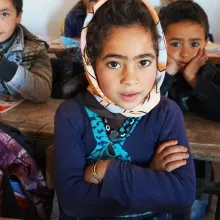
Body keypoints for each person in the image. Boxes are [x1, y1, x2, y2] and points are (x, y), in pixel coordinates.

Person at [54, 0, 195, 219]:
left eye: (144, 62)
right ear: (91, 62)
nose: (130, 80)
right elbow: (73, 203)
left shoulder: (166, 113)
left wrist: (107, 171)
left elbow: (182, 196)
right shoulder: (71, 115)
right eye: (114, 64)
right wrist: (151, 178)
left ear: (159, 60)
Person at [159, 1, 220, 219]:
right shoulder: (151, 71)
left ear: (206, 42)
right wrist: (169, 73)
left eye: (194, 44)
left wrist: (194, 80)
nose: (185, 53)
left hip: (195, 167)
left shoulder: (210, 74)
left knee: (193, 210)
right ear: (161, 42)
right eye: (175, 44)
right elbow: (146, 105)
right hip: (155, 162)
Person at [0, 0, 52, 103]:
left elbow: (43, 93)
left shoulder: (35, 48)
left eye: (4, 14)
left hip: (16, 117)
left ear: (18, 16)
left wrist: (3, 65)